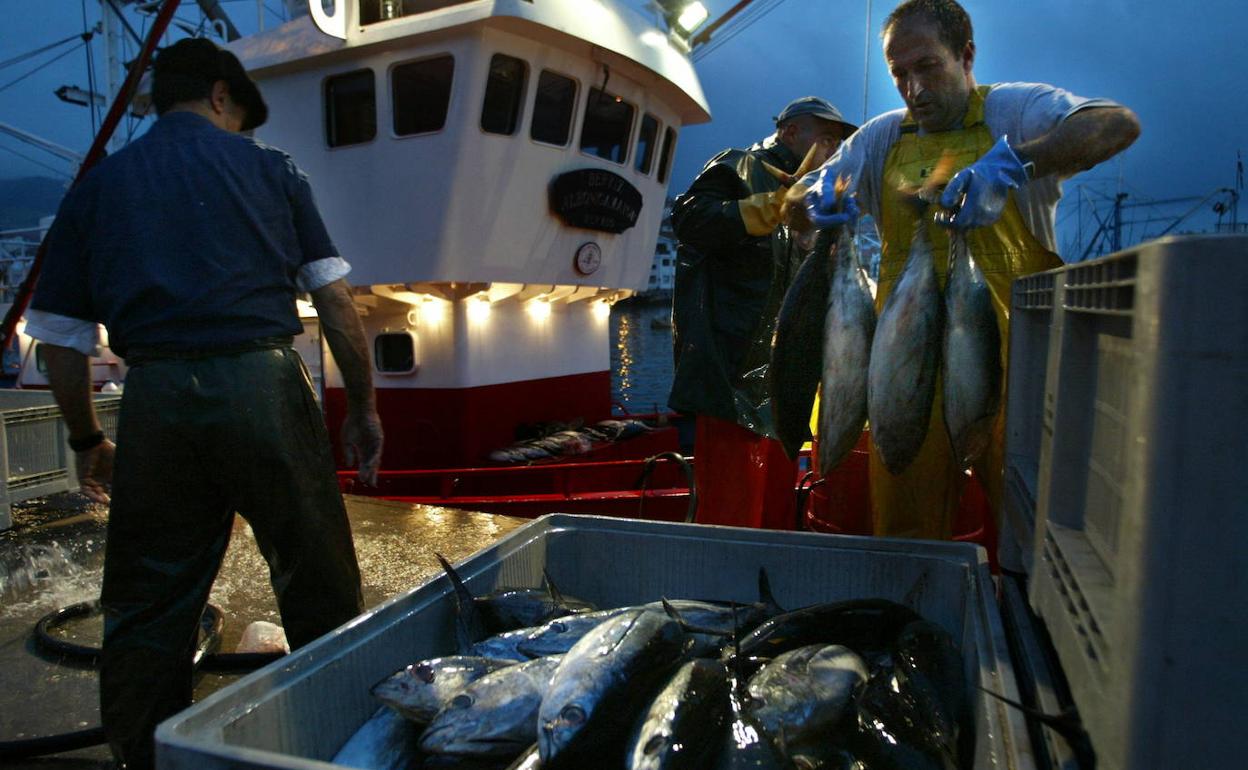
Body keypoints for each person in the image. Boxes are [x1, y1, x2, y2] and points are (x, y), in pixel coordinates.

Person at [25, 38, 384, 769]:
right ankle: (342, 746)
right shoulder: (271, 170)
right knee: (317, 581)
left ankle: (145, 756)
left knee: (150, 601)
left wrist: (88, 437)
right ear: (221, 96)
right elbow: (336, 304)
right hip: (264, 385)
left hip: (155, 397)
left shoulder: (99, 186)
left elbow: (60, 340)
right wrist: (365, 411)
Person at [783, 0, 1140, 542]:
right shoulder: (880, 139)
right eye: (899, 74)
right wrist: (813, 201)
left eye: (927, 66)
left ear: (966, 55)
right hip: (906, 367)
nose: (914, 88)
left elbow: (1115, 124)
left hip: (1021, 372)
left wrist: (1013, 165)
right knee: (904, 533)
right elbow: (793, 204)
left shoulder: (1013, 111)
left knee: (1033, 536)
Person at [668, 96, 855, 529]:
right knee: (730, 514)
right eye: (824, 137)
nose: (830, 150)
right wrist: (772, 206)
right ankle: (720, 594)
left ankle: (765, 590)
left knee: (773, 511)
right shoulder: (738, 165)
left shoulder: (811, 195)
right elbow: (689, 218)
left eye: (836, 143)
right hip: (729, 380)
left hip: (780, 386)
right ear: (791, 132)